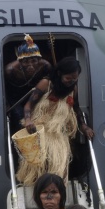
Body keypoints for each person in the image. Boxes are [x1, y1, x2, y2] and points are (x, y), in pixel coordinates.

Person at [16, 57, 95, 186]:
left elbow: (76, 109)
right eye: (68, 78)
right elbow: (28, 105)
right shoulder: (46, 84)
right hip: (40, 131)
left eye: (75, 78)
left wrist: (84, 126)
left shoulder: (73, 89)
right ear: (59, 73)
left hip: (59, 134)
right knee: (40, 165)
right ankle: (39, 189)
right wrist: (28, 120)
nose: (71, 81)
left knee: (60, 164)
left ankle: (58, 189)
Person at [4, 34, 52, 125]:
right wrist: (6, 104)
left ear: (39, 60)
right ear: (20, 62)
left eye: (34, 61)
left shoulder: (45, 66)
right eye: (26, 61)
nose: (30, 65)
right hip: (16, 96)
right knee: (20, 119)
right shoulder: (10, 70)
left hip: (36, 93)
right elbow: (4, 88)